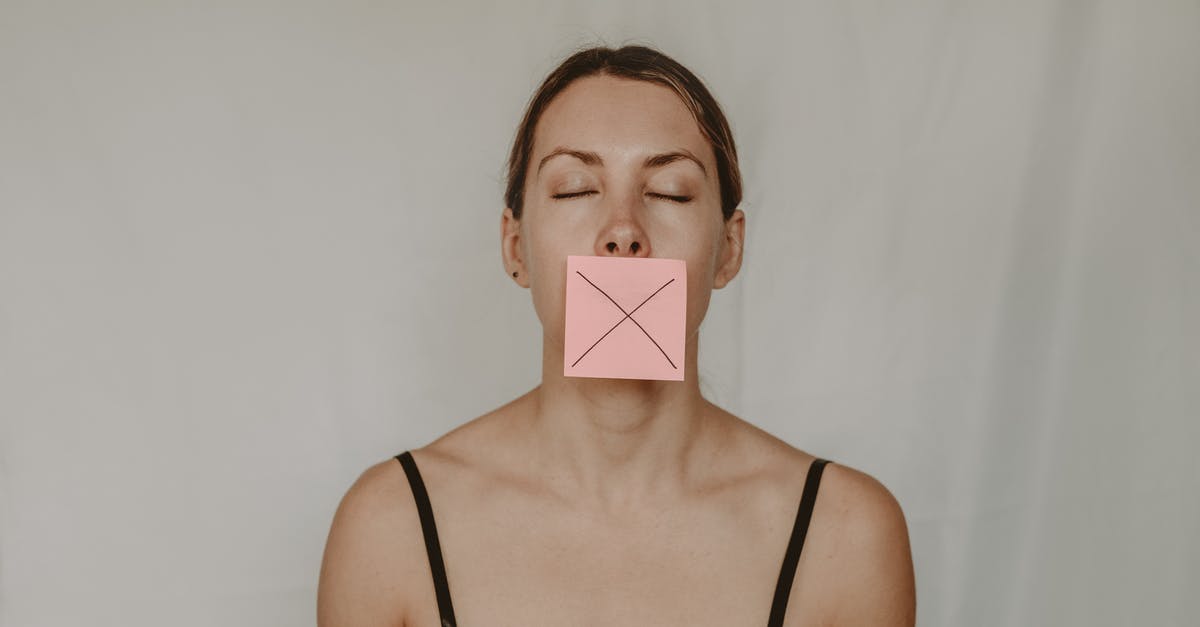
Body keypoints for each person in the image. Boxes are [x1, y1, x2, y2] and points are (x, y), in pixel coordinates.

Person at [317, 43, 916, 627]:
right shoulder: (390, 526)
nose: (623, 229)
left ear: (728, 250)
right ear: (515, 245)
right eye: (575, 188)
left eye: (669, 192)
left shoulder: (845, 533)